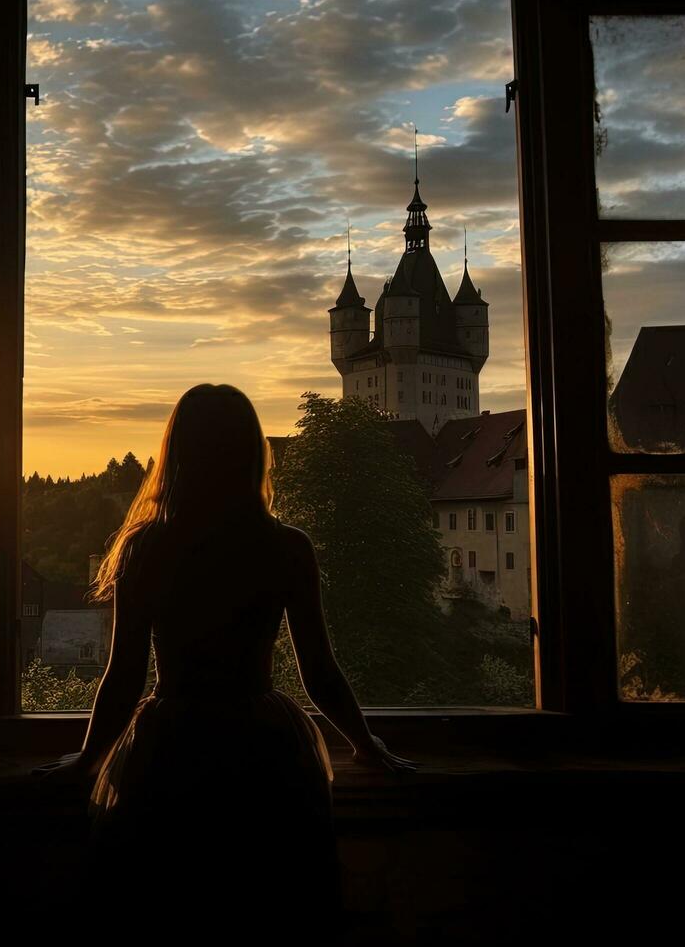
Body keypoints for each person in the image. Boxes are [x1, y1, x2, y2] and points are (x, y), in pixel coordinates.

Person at [33, 383, 417, 940]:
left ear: (178, 453)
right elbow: (319, 671)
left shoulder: (147, 548)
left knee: (166, 905)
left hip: (171, 745)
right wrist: (365, 743)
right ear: (252, 453)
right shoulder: (286, 547)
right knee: (266, 906)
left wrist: (90, 757)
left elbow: (123, 674)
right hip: (262, 744)